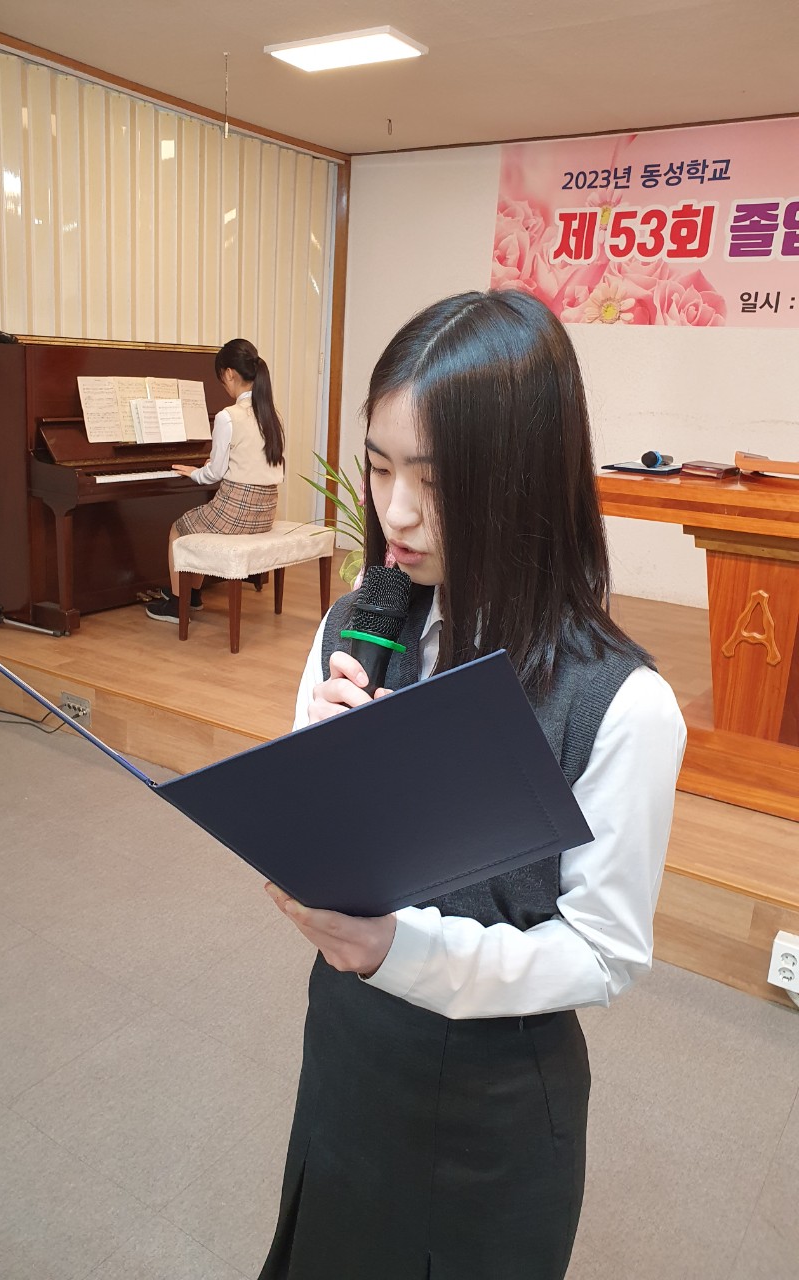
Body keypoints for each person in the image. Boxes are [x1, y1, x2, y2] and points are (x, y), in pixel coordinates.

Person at [258, 290, 687, 1279]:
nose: (396, 511)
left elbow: (605, 952)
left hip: (491, 1105)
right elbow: (311, 853)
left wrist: (398, 947)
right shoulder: (357, 625)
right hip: (349, 1045)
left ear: (525, 484)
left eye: (436, 480)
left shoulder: (621, 705)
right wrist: (313, 787)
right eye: (379, 466)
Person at [146, 337, 285, 622]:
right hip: (265, 512)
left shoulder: (228, 416)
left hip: (236, 511)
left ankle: (177, 604)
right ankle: (194, 595)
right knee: (197, 526)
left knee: (179, 530)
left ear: (230, 373)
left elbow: (215, 473)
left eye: (221, 378)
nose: (223, 385)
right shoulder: (271, 414)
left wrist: (195, 472)